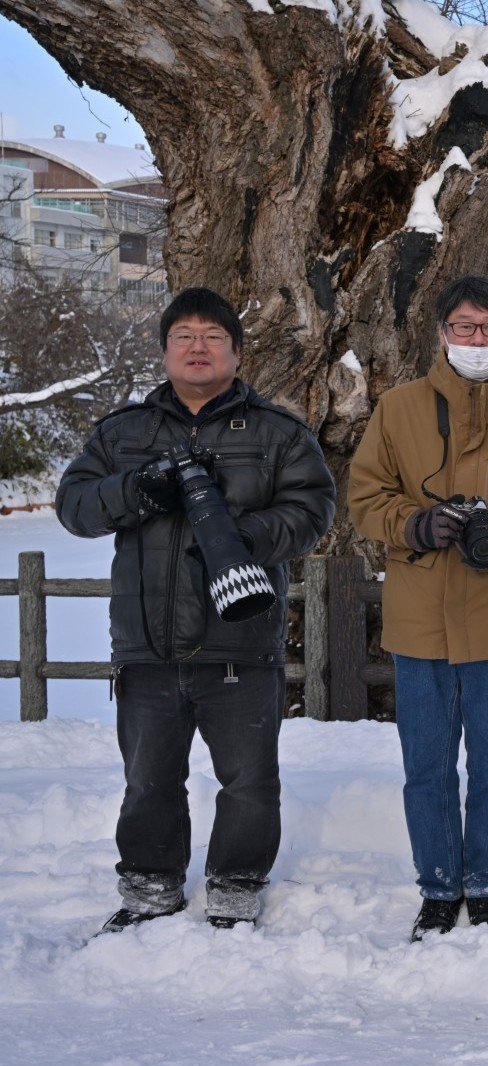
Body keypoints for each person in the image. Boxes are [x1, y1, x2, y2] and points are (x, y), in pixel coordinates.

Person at [56, 287, 336, 933]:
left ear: (237, 352)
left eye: (213, 336)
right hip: (146, 641)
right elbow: (74, 506)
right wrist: (136, 490)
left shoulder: (277, 432)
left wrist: (236, 535)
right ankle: (149, 891)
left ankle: (235, 889)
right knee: (149, 780)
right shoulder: (123, 433)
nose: (198, 347)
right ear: (163, 351)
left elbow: (311, 514)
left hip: (239, 640)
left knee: (248, 783)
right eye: (184, 336)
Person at [348, 275, 488, 941]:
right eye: (464, 327)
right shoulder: (398, 409)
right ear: (442, 334)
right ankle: (438, 885)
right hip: (419, 617)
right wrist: (414, 526)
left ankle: (487, 883)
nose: (477, 339)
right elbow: (367, 494)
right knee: (425, 763)